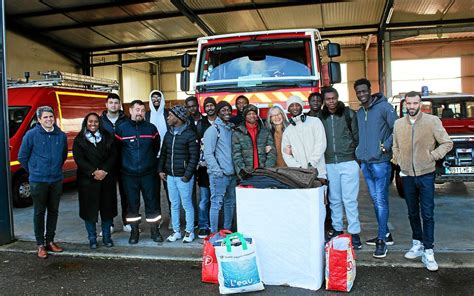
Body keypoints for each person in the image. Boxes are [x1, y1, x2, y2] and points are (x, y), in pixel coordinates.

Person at [393, 91, 453, 271]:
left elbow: (447, 143)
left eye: (415, 103)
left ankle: (428, 250)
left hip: (426, 174)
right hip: (407, 175)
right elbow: (395, 145)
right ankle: (417, 243)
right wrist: (398, 160)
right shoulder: (398, 124)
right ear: (405, 104)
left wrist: (433, 156)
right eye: (409, 103)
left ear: (420, 103)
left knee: (427, 213)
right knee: (412, 212)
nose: (411, 107)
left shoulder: (432, 121)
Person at [353, 78, 398, 258]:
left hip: (380, 162)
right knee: (375, 199)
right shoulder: (359, 112)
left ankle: (381, 240)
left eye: (364, 91)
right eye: (359, 92)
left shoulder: (384, 107)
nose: (362, 94)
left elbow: (397, 129)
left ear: (370, 90)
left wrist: (386, 146)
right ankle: (385, 232)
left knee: (380, 201)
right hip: (366, 163)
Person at [18, 106, 67, 259]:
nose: (48, 119)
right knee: (39, 212)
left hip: (56, 180)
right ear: (39, 120)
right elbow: (22, 157)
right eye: (45, 117)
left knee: (53, 211)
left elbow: (63, 155)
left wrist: (55, 169)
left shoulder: (61, 136)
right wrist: (35, 171)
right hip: (38, 181)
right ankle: (40, 244)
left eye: (50, 117)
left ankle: (50, 240)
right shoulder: (31, 135)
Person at [115, 100, 163, 244]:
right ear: (130, 111)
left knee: (152, 203)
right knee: (132, 204)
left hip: (149, 174)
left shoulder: (151, 129)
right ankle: (134, 232)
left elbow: (155, 147)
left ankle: (155, 231)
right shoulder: (121, 129)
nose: (140, 113)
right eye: (137, 110)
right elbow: (117, 150)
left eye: (142, 110)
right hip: (129, 175)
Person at [319, 87, 361, 248]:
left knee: (350, 200)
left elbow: (356, 136)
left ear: (337, 98)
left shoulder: (348, 114)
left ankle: (354, 233)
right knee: (334, 200)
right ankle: (337, 230)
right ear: (324, 100)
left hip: (348, 162)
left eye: (334, 98)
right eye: (328, 99)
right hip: (329, 163)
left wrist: (353, 155)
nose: (331, 101)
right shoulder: (320, 117)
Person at [73, 113, 118, 249]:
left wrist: (104, 170)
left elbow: (113, 156)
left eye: (96, 122)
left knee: (107, 211)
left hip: (106, 179)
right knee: (89, 212)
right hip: (87, 181)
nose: (93, 124)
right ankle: (92, 238)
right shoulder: (79, 139)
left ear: (100, 123)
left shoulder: (108, 137)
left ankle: (106, 237)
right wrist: (93, 171)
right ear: (85, 123)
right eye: (90, 121)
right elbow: (79, 159)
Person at [158, 105, 199, 243]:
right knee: (174, 204)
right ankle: (176, 231)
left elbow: (194, 157)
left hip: (184, 177)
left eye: (170, 115)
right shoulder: (168, 134)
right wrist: (161, 169)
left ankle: (189, 231)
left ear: (179, 117)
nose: (168, 117)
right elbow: (163, 153)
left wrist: (187, 175)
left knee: (186, 205)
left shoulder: (190, 134)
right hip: (170, 176)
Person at [203, 101, 236, 233]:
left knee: (230, 203)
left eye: (228, 110)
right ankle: (214, 234)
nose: (227, 112)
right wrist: (217, 171)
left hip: (232, 174)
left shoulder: (231, 129)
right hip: (219, 175)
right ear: (218, 112)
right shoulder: (213, 130)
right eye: (223, 110)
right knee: (216, 205)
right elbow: (208, 153)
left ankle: (227, 231)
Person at [100, 93, 129, 233]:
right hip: (107, 164)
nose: (113, 105)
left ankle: (127, 222)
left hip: (124, 163)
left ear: (120, 105)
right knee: (107, 195)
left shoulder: (126, 120)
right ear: (106, 105)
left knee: (127, 194)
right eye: (110, 102)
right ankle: (109, 224)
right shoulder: (100, 122)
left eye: (116, 102)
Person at [281, 95, 327, 179]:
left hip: (318, 171)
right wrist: (298, 168)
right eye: (291, 106)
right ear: (288, 109)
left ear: (302, 107)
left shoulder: (315, 122)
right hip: (300, 175)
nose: (295, 108)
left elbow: (321, 144)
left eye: (297, 105)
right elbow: (286, 154)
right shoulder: (287, 131)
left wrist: (312, 163)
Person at [146, 90, 171, 229]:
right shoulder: (147, 115)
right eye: (153, 97)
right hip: (151, 158)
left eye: (159, 97)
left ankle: (173, 217)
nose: (156, 99)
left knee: (170, 190)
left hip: (167, 157)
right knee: (153, 191)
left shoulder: (167, 113)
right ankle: (158, 218)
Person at [232, 104, 276, 180]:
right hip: (247, 174)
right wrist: (243, 172)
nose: (252, 116)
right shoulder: (237, 133)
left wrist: (267, 170)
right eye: (249, 114)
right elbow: (236, 155)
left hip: (264, 173)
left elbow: (272, 152)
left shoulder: (265, 131)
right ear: (245, 116)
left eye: (254, 113)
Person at [197, 97, 217, 238]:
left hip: (219, 167)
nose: (210, 108)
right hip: (204, 168)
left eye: (212, 105)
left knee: (217, 198)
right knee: (204, 199)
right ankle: (203, 225)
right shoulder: (200, 124)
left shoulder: (221, 122)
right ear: (204, 108)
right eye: (207, 106)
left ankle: (216, 225)